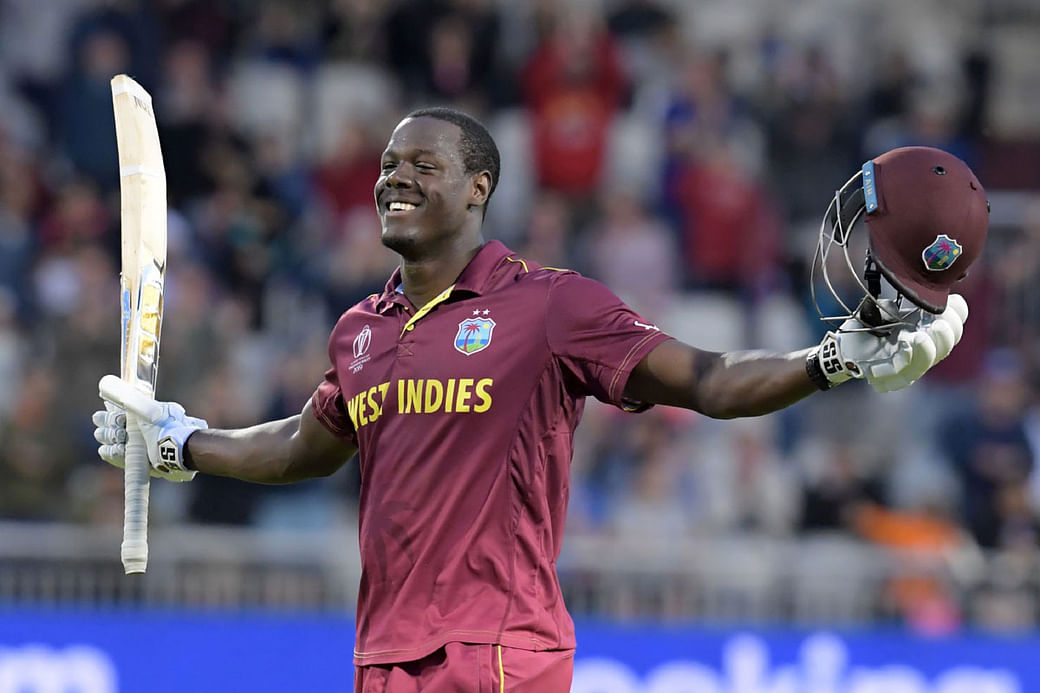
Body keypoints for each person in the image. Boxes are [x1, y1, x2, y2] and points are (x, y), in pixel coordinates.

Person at [94, 108, 985, 692]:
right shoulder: (361, 329)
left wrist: (829, 359)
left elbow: (708, 380)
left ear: (479, 187)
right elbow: (304, 444)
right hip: (382, 656)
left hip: (499, 652)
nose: (395, 178)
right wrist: (179, 440)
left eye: (423, 165)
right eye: (388, 165)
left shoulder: (554, 304)